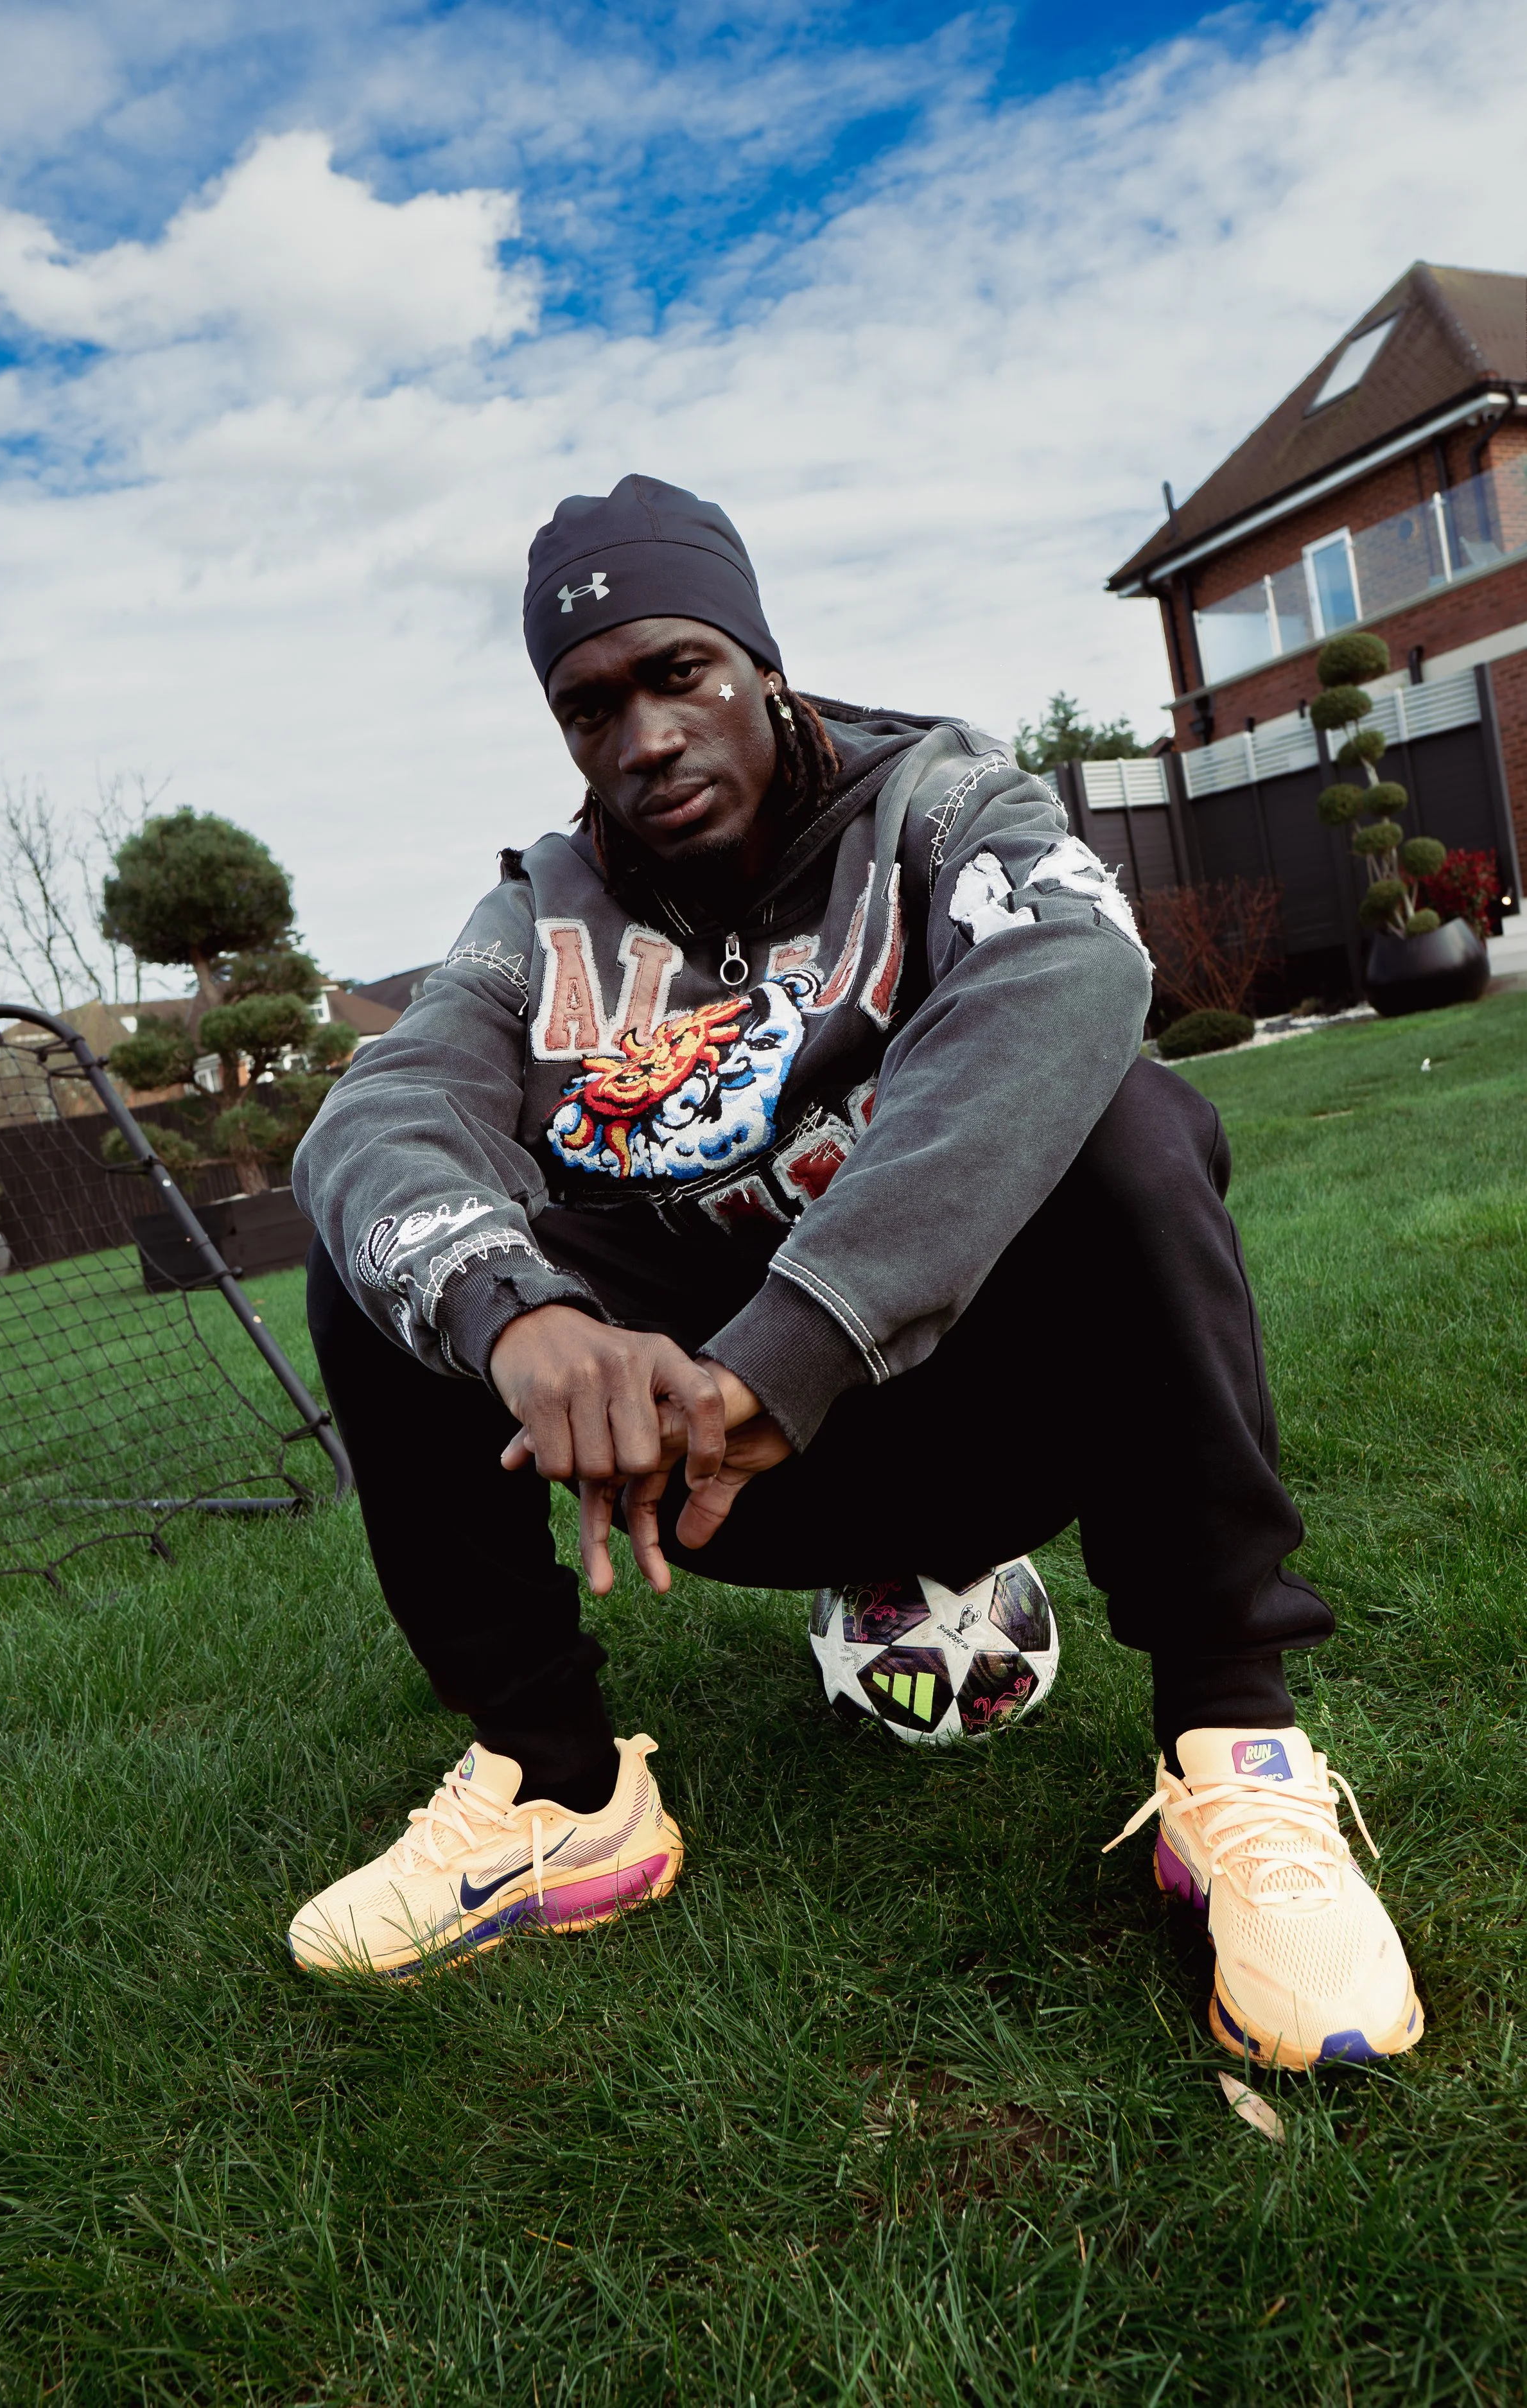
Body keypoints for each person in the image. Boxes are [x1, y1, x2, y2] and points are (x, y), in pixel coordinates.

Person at [288, 475, 1421, 2070]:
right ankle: (556, 1789)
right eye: (589, 709)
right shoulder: (534, 909)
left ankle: (1232, 1746)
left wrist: (794, 1343)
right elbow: (385, 1108)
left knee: (1132, 1123)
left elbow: (1067, 967)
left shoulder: (940, 804)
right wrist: (522, 1314)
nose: (643, 740)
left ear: (758, 660)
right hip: (703, 1485)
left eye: (676, 673)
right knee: (378, 1264)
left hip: (976, 1413)